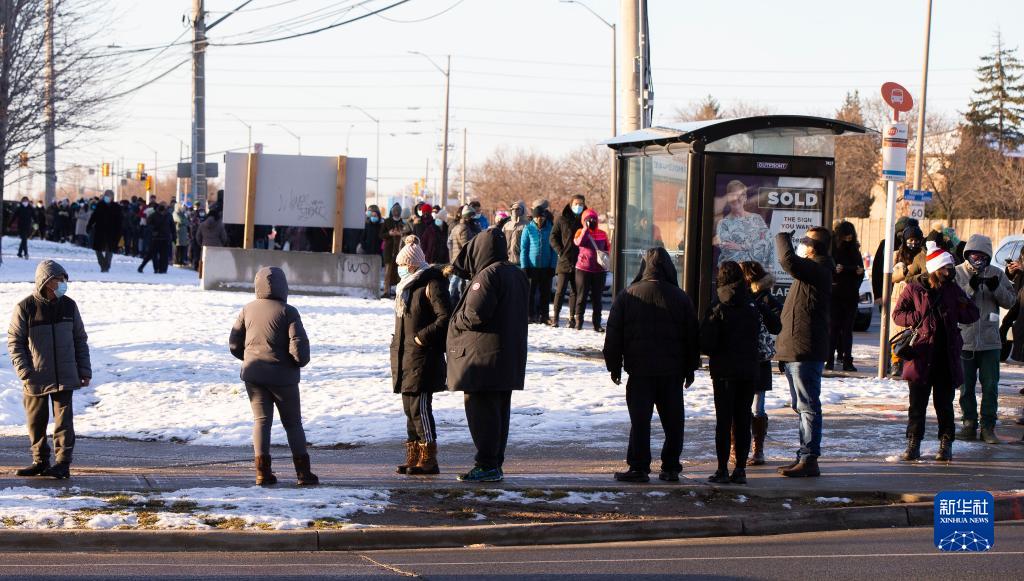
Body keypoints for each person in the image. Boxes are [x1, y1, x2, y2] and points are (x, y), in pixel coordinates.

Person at [603, 247, 699, 483]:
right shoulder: (680, 297)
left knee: (640, 420)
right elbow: (692, 337)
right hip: (672, 371)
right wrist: (690, 368)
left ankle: (638, 466)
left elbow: (613, 336)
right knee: (674, 420)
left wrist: (614, 366)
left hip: (640, 370)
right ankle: (671, 466)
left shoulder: (628, 295)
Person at [446, 228, 529, 483]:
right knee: (499, 413)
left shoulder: (488, 275)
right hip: (506, 358)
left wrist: (455, 319)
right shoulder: (516, 274)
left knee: (483, 414)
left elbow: (475, 314)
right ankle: (494, 463)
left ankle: (487, 464)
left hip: (483, 359)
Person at [228, 267, 317, 486]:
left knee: (261, 422)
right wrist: (297, 363)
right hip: (283, 378)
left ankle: (262, 473)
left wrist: (249, 358)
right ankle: (303, 473)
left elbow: (233, 343)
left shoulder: (247, 310)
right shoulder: (288, 311)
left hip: (254, 376)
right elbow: (299, 349)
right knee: (293, 424)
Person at [893, 242, 980, 462]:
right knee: (917, 406)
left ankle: (945, 444)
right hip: (921, 355)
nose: (950, 272)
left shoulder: (953, 289)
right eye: (946, 268)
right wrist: (917, 319)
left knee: (944, 405)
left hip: (946, 357)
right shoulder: (914, 288)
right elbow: (898, 314)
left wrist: (963, 306)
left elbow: (972, 314)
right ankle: (913, 445)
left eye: (950, 268)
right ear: (934, 268)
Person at [7, 260, 91, 480]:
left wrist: (84, 370)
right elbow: (15, 342)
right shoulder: (25, 307)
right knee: (36, 421)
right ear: (45, 281)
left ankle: (63, 464)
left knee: (64, 422)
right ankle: (40, 461)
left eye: (64, 279)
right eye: (58, 280)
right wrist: (24, 370)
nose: (63, 284)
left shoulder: (69, 306)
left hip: (65, 374)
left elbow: (79, 339)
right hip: (36, 375)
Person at [773, 228, 833, 477]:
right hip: (796, 349)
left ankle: (809, 458)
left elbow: (787, 261)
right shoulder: (812, 271)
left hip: (805, 350)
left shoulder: (818, 269)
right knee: (802, 406)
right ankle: (804, 455)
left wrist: (782, 237)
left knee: (808, 406)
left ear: (814, 246)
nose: (801, 243)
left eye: (805, 240)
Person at [391, 236, 451, 476]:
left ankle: (429, 458)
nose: (399, 269)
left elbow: (445, 317)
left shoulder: (431, 283)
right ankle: (413, 456)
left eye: (402, 265)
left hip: (423, 356)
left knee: (421, 409)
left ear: (413, 265)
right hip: (405, 356)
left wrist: (421, 338)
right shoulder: (405, 287)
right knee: (409, 410)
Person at [701, 261, 764, 484]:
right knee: (742, 419)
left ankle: (722, 469)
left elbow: (707, 343)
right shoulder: (751, 305)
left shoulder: (718, 306)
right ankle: (740, 469)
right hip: (748, 370)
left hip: (724, 372)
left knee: (724, 421)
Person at [953, 235, 1015, 443]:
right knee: (965, 386)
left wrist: (995, 288)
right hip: (964, 339)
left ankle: (988, 426)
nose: (977, 259)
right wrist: (971, 287)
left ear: (988, 256)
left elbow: (1010, 301)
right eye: (973, 255)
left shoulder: (997, 273)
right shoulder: (957, 273)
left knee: (990, 386)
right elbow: (952, 301)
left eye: (981, 256)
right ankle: (969, 423)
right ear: (967, 255)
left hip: (990, 341)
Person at [739, 260, 782, 466]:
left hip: (759, 360)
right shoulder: (738, 296)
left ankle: (757, 448)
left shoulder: (765, 299)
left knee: (757, 408)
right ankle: (739, 447)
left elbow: (776, 326)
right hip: (748, 359)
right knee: (742, 407)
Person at [889, 225, 926, 377]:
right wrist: (906, 270)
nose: (913, 243)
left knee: (915, 329)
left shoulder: (922, 256)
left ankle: (909, 360)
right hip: (899, 294)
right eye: (910, 240)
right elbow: (890, 277)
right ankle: (895, 361)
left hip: (917, 295)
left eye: (917, 240)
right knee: (897, 329)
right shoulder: (897, 255)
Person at [828, 221, 865, 372]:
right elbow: (829, 267)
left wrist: (857, 273)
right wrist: (837, 271)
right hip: (836, 294)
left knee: (847, 329)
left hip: (850, 294)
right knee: (834, 328)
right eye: (846, 237)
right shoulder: (833, 248)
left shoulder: (855, 249)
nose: (848, 240)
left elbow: (860, 269)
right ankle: (830, 359)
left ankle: (847, 360)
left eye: (850, 237)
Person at [716, 180, 771, 267]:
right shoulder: (724, 223)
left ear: (745, 197)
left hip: (754, 270)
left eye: (740, 195)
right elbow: (727, 248)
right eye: (733, 195)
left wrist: (739, 246)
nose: (736, 198)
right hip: (732, 271)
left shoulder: (757, 219)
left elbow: (765, 243)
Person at [550, 195, 586, 328]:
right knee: (560, 290)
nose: (579, 206)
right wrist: (560, 251)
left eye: (581, 204)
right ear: (571, 204)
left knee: (575, 291)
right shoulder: (562, 219)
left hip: (580, 261)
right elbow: (553, 237)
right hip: (564, 260)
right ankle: (556, 318)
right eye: (576, 203)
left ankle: (572, 318)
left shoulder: (585, 220)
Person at [573, 208, 609, 332]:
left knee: (597, 298)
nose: (592, 221)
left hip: (599, 270)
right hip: (583, 269)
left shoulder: (603, 233)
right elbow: (578, 243)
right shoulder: (579, 231)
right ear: (583, 220)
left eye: (594, 219)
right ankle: (579, 321)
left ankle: (597, 323)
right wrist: (585, 230)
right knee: (581, 297)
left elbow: (607, 248)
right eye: (588, 219)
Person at [519, 206, 558, 324]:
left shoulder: (550, 228)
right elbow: (524, 249)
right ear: (533, 218)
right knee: (530, 293)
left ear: (545, 217)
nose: (539, 219)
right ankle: (530, 315)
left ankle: (544, 316)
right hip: (531, 267)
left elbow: (554, 250)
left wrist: (552, 266)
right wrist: (524, 266)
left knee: (545, 293)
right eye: (536, 217)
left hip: (546, 267)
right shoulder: (528, 228)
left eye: (541, 217)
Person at [447, 205, 481, 305]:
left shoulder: (457, 227)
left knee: (456, 281)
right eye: (472, 216)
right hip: (462, 260)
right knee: (459, 282)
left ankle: (453, 300)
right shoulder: (465, 229)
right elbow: (467, 246)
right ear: (468, 216)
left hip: (455, 258)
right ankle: (456, 301)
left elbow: (449, 243)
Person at [88, 191, 123, 273]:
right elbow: (94, 216)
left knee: (109, 250)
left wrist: (119, 231)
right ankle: (102, 264)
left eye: (109, 196)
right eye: (106, 196)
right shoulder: (100, 205)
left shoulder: (116, 207)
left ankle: (106, 266)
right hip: (100, 231)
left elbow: (119, 220)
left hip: (112, 232)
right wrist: (89, 225)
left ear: (112, 197)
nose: (107, 197)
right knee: (97, 249)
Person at [138, 203, 173, 274]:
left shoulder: (168, 216)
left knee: (163, 255)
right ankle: (143, 267)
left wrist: (173, 235)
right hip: (156, 238)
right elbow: (148, 225)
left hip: (165, 238)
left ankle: (162, 269)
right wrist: (154, 230)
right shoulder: (153, 216)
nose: (163, 213)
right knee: (151, 254)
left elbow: (172, 226)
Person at [381, 203, 405, 298]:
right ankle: (386, 291)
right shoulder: (387, 221)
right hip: (389, 250)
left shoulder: (403, 222)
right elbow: (381, 234)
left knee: (400, 274)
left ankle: (398, 293)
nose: (396, 212)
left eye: (398, 211)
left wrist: (400, 234)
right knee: (387, 273)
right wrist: (389, 233)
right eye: (394, 211)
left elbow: (407, 233)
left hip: (400, 251)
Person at [503, 200, 528, 267]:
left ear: (523, 210)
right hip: (507, 261)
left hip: (521, 262)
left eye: (517, 209)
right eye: (513, 209)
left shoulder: (527, 225)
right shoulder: (507, 225)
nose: (515, 211)